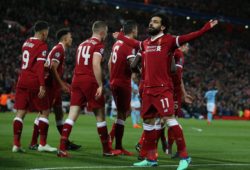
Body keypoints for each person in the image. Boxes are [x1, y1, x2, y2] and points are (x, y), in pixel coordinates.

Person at [113, 13, 218, 169]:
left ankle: (185, 157)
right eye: (150, 21)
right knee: (148, 124)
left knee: (169, 120)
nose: (151, 23)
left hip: (162, 89)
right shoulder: (146, 43)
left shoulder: (169, 41)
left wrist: (205, 28)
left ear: (162, 27)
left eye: (155, 22)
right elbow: (134, 43)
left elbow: (189, 37)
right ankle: (151, 159)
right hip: (147, 90)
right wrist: (121, 36)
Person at [57, 21, 121, 157]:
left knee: (71, 115)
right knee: (100, 116)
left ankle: (62, 148)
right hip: (89, 80)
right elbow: (95, 64)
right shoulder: (98, 45)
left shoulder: (81, 44)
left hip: (77, 79)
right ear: (102, 32)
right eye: (106, 32)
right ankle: (107, 150)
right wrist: (100, 84)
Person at [29, 28, 81, 151]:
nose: (71, 39)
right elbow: (52, 67)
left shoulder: (60, 49)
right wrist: (62, 84)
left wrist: (62, 84)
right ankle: (36, 142)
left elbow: (50, 66)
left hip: (54, 86)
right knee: (43, 113)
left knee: (59, 112)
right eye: (70, 37)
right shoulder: (58, 49)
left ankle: (65, 141)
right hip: (49, 85)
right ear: (64, 38)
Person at [12, 21, 57, 153]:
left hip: (22, 81)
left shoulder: (26, 43)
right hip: (33, 82)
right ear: (43, 32)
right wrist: (42, 85)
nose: (47, 35)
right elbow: (38, 67)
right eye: (47, 32)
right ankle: (42, 143)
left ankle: (16, 144)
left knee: (20, 113)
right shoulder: (41, 45)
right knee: (45, 111)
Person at [108, 20, 138, 156]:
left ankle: (114, 140)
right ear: (133, 30)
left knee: (126, 112)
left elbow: (109, 62)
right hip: (123, 82)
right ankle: (116, 144)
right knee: (122, 114)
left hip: (115, 81)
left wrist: (112, 76)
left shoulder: (117, 43)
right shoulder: (128, 45)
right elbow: (132, 64)